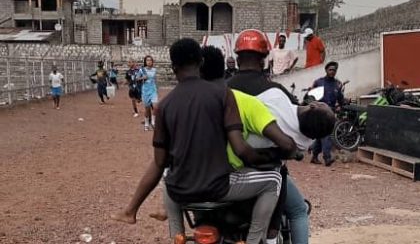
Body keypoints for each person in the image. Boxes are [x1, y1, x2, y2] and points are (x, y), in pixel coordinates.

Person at [111, 38, 295, 244]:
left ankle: (176, 237)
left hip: (180, 190)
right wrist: (267, 158)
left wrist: (132, 207)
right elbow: (241, 149)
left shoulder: (164, 106)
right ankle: (254, 240)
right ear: (200, 62)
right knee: (274, 180)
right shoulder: (223, 95)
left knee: (169, 183)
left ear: (173, 67)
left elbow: (159, 162)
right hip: (218, 187)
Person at [228, 29, 315, 244]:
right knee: (298, 211)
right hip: (267, 170)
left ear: (237, 59)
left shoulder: (221, 89)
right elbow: (294, 127)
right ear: (265, 59)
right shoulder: (276, 91)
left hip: (226, 171)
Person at [310, 61, 344, 167]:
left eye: (334, 70)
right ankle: (327, 157)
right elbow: (311, 95)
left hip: (331, 112)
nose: (332, 72)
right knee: (326, 135)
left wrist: (343, 105)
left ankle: (314, 156)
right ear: (326, 70)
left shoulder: (337, 84)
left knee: (322, 135)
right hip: (319, 112)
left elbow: (340, 99)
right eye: (330, 70)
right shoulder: (318, 82)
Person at [137, 56, 158, 131]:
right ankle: (146, 124)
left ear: (152, 62)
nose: (149, 61)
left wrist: (156, 89)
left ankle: (153, 121)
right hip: (145, 90)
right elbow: (137, 78)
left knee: (155, 106)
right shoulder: (142, 70)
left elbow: (155, 80)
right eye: (147, 60)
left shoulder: (154, 70)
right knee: (147, 108)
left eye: (150, 60)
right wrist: (143, 78)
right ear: (145, 62)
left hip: (153, 90)